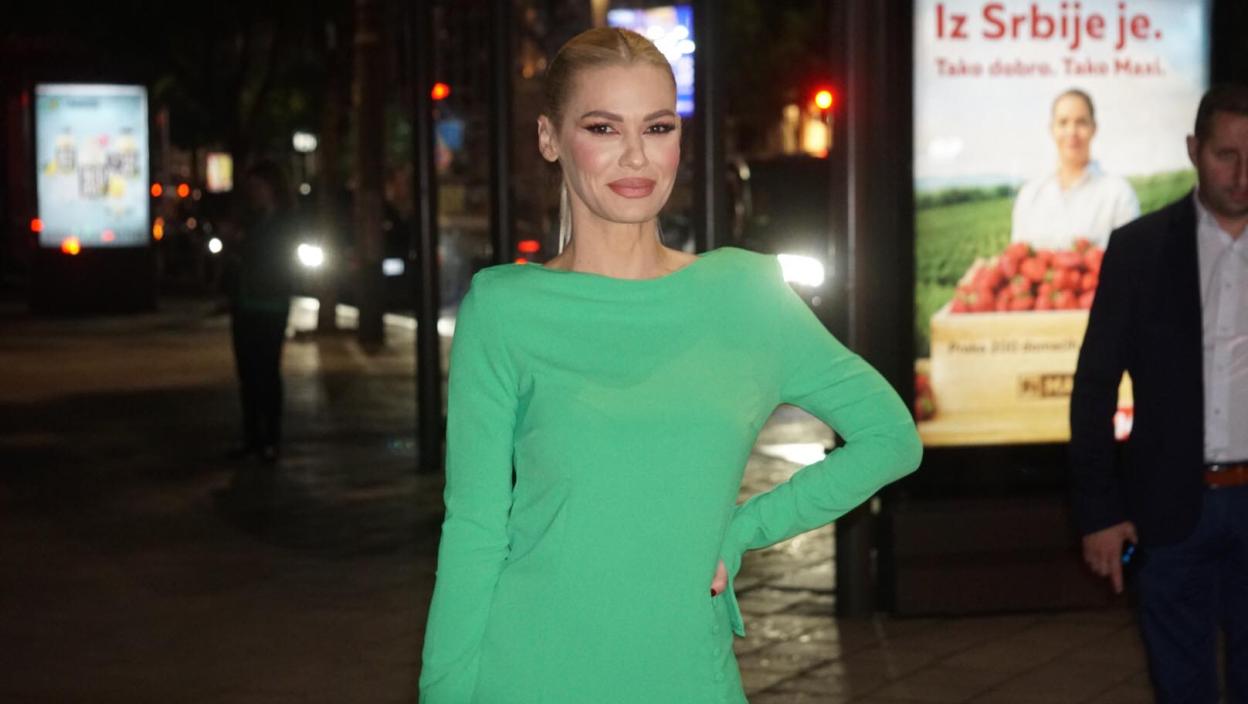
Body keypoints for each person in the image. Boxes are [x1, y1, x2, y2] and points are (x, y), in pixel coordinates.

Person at [418, 28, 922, 704]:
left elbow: (891, 438)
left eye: (657, 127)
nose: (636, 155)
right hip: (525, 673)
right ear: (549, 138)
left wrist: (742, 531)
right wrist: (442, 694)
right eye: (603, 127)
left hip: (690, 675)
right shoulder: (504, 308)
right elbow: (475, 529)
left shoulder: (745, 296)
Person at [1071, 83, 1248, 703]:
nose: (1242, 176)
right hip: (1169, 509)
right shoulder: (1140, 249)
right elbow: (1094, 385)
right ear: (1194, 150)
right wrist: (1099, 511)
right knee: (1181, 687)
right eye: (1226, 156)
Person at [224, 159, 298, 464]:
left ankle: (270, 439)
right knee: (247, 373)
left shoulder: (285, 222)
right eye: (251, 187)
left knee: (266, 371)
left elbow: (276, 260)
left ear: (272, 187)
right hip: (245, 303)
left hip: (270, 303)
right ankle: (252, 438)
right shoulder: (251, 220)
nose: (254, 192)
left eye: (259, 186)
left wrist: (244, 247)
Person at [1011, 89, 1140, 250]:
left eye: (1081, 122)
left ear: (1094, 128)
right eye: (1063, 122)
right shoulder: (1029, 194)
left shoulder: (1119, 194)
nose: (1072, 132)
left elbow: (1131, 259)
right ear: (1052, 129)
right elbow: (1018, 257)